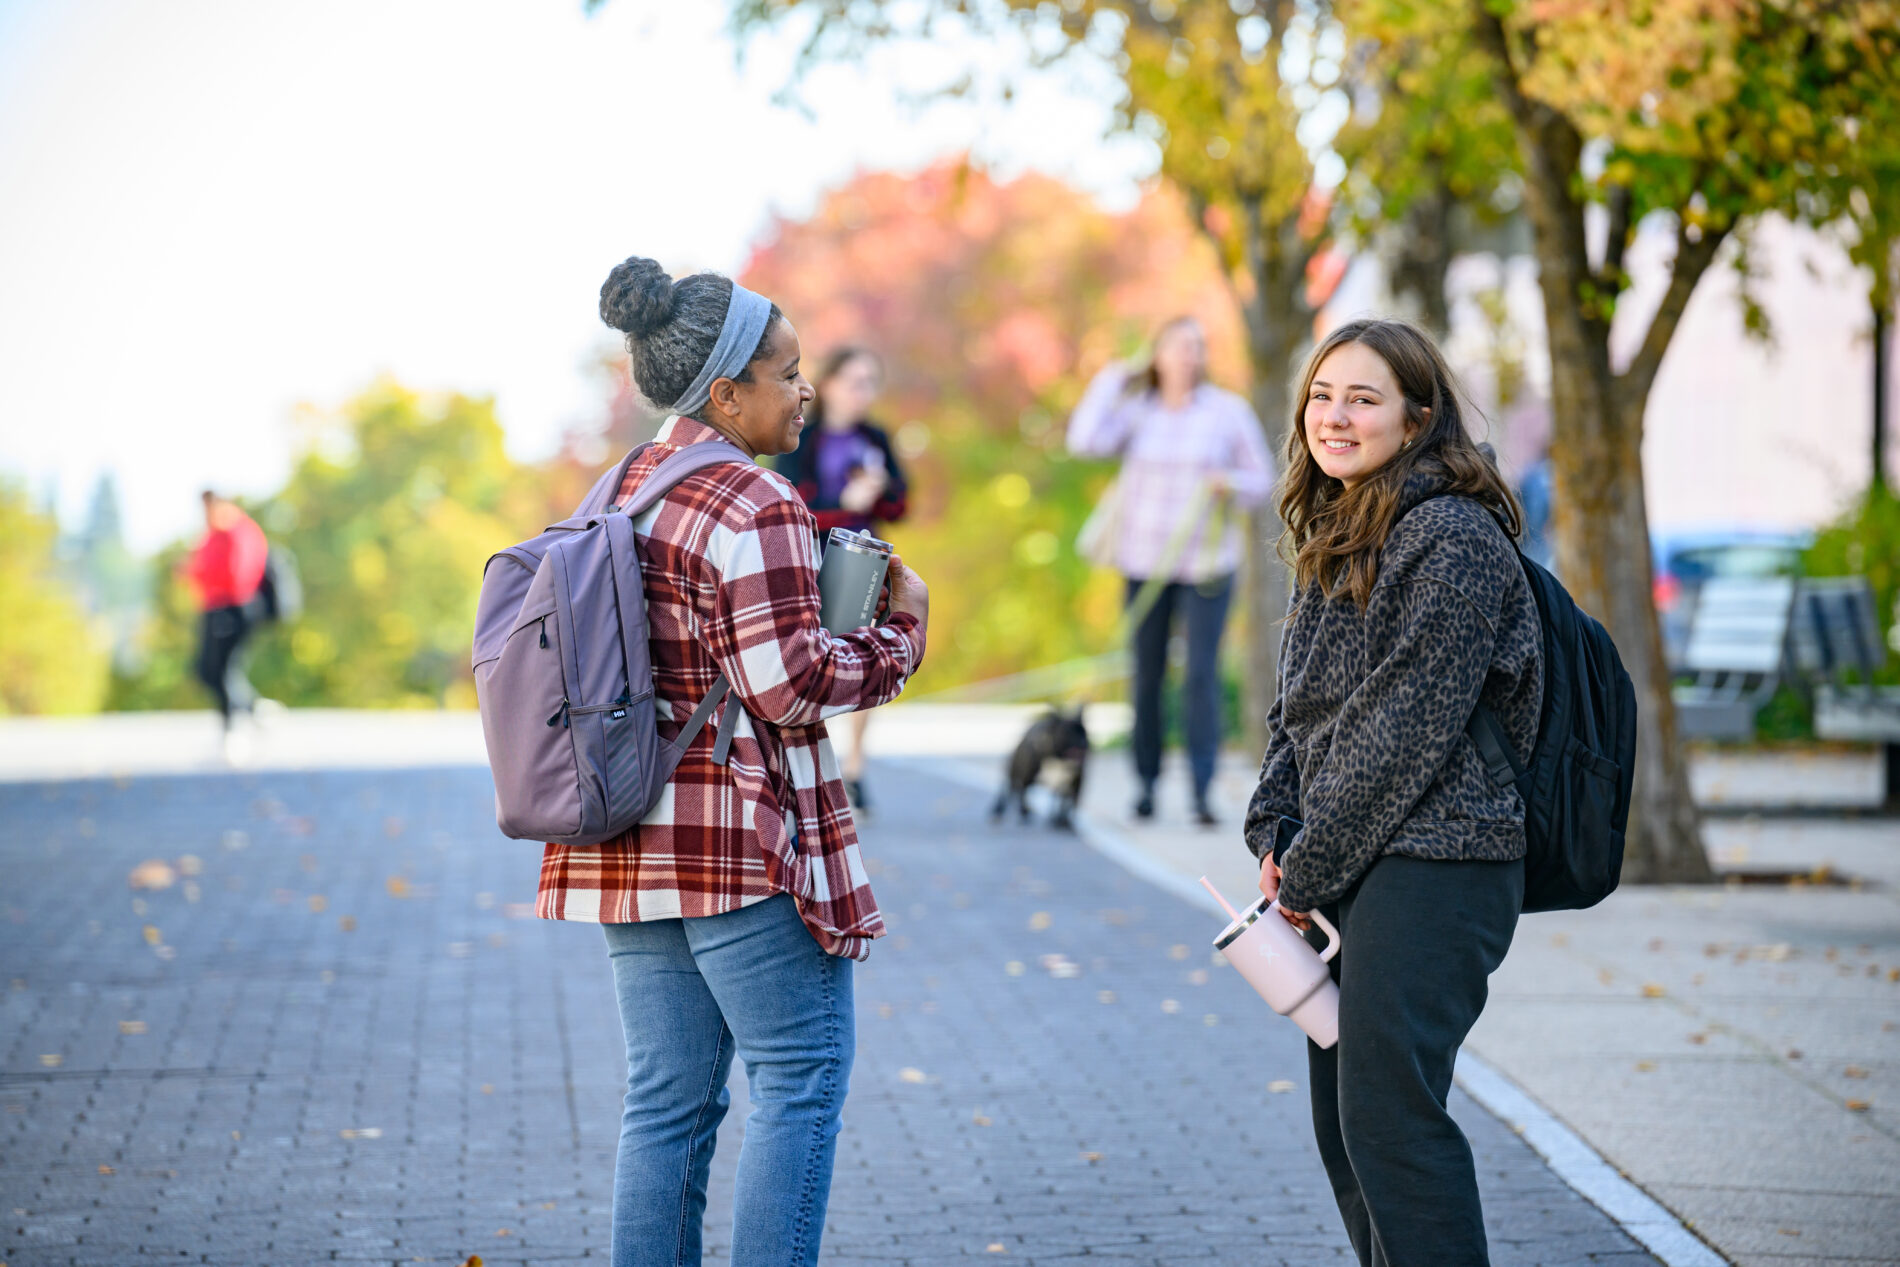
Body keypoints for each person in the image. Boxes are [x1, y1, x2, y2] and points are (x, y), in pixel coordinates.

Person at [549, 256, 931, 1267]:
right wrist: (900, 638)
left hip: (625, 826)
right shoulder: (751, 501)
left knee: (666, 1104)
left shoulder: (620, 485)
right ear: (727, 391)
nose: (805, 390)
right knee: (800, 1075)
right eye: (787, 371)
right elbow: (788, 684)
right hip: (733, 838)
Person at [1243, 318, 1543, 1266]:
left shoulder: (1452, 538)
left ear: (1417, 418)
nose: (1334, 415)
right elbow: (1297, 714)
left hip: (1441, 862)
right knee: (1350, 1130)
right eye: (1322, 396)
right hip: (1350, 861)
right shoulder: (1340, 529)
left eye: (1362, 398)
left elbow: (1403, 728)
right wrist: (1274, 828)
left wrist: (1306, 866)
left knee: (1391, 1123)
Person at [1067, 316, 1274, 826]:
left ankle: (1202, 790)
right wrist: (1112, 379)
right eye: (1179, 345)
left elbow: (1263, 479)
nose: (1189, 355)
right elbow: (1084, 442)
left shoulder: (1227, 412)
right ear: (1156, 353)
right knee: (1147, 676)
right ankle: (1146, 784)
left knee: (1201, 676)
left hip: (1207, 565)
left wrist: (1228, 480)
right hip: (1145, 565)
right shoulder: (1138, 411)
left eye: (1197, 347)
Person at [775, 346, 909, 812]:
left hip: (867, 563)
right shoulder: (801, 438)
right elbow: (795, 507)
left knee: (865, 653)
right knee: (813, 658)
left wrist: (878, 493)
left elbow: (900, 505)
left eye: (870, 382)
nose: (863, 393)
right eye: (855, 381)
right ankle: (813, 766)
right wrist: (846, 501)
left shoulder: (876, 437)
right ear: (828, 384)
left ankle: (855, 767)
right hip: (812, 560)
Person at [180, 491, 269, 758]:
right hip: (216, 606)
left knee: (222, 670)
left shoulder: (232, 530)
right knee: (207, 670)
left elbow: (232, 572)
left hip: (231, 606)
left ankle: (233, 731)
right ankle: (253, 710)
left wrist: (196, 571)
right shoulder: (214, 534)